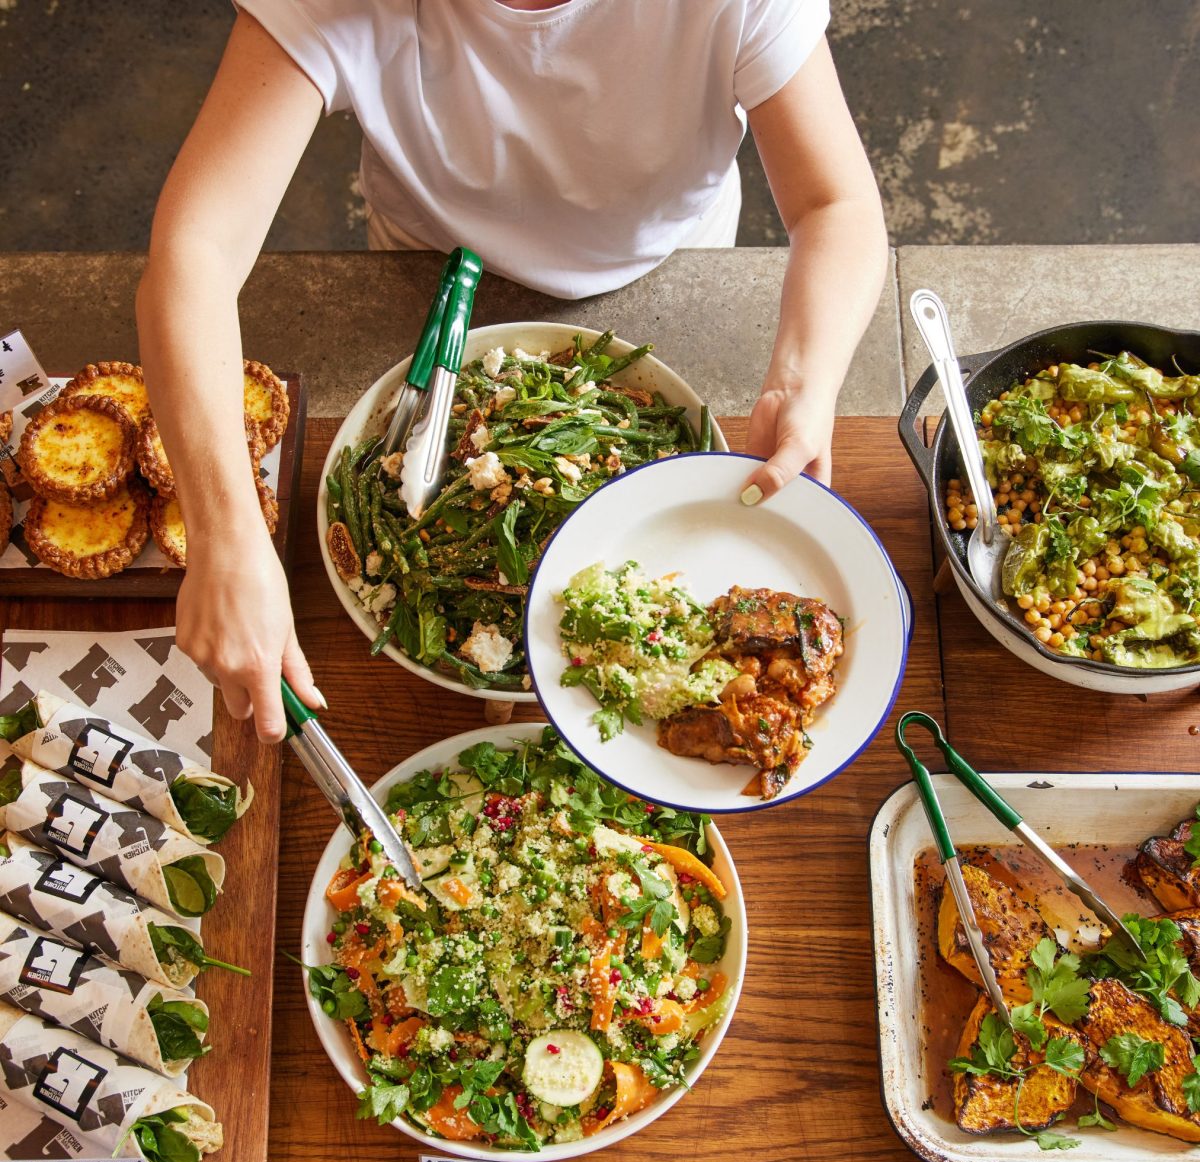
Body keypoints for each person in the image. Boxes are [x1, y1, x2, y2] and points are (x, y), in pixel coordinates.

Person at [136, 0, 888, 742]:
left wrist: (802, 378)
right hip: (421, 273)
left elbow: (838, 204)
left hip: (668, 269)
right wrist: (226, 537)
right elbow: (192, 254)